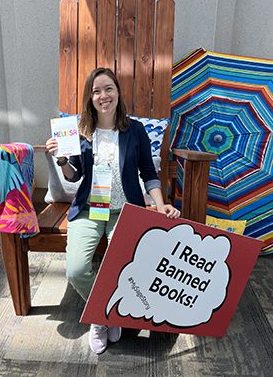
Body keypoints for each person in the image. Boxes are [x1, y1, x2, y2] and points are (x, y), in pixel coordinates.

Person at [46, 67, 180, 354]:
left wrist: (160, 204)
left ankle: (106, 315)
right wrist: (61, 161)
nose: (103, 95)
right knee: (77, 270)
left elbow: (148, 172)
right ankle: (102, 315)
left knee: (124, 268)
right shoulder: (81, 130)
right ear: (90, 97)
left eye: (108, 89)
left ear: (118, 93)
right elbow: (74, 176)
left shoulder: (135, 130)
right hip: (90, 209)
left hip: (125, 210)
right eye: (96, 91)